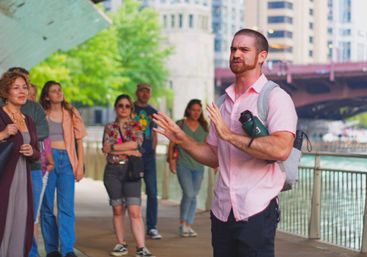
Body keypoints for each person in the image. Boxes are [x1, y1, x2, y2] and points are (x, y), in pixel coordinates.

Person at [153, 28, 297, 257]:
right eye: (233, 49)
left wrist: (229, 135)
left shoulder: (275, 98)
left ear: (262, 56)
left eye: (244, 49)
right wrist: (182, 139)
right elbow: (213, 156)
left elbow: (281, 149)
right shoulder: (222, 102)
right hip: (222, 210)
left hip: (257, 208)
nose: (236, 54)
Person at [0, 67, 50, 257]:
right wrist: (3, 134)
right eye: (16, 88)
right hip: (4, 180)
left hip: (24, 180)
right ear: (6, 91)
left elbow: (37, 152)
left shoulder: (28, 120)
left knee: (21, 224)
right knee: (2, 223)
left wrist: (31, 152)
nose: (22, 92)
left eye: (24, 87)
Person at [102, 94, 155, 257]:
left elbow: (136, 143)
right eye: (120, 105)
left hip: (131, 171)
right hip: (112, 171)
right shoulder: (109, 127)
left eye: (127, 106)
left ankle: (141, 248)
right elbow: (105, 149)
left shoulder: (136, 125)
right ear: (116, 108)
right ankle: (121, 244)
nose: (123, 108)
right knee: (117, 209)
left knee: (134, 211)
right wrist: (128, 151)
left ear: (131, 109)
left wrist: (116, 147)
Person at [39, 81, 87, 257]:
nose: (59, 93)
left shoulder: (71, 113)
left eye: (60, 90)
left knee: (66, 207)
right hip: (48, 161)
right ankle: (52, 249)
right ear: (46, 96)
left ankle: (67, 249)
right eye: (54, 91)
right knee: (47, 206)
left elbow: (80, 140)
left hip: (67, 161)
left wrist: (80, 165)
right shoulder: (41, 115)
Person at [167, 99, 209, 237]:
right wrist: (172, 161)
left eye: (199, 110)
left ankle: (189, 225)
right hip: (183, 164)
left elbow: (208, 147)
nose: (196, 113)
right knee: (189, 194)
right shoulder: (181, 124)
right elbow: (172, 144)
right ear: (188, 110)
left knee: (193, 196)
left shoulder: (204, 127)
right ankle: (182, 224)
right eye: (193, 110)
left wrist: (213, 163)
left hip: (199, 166)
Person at [133, 83, 162, 239]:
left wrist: (154, 151)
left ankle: (152, 227)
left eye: (148, 91)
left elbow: (155, 133)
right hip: (133, 155)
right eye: (142, 91)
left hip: (149, 156)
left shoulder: (153, 112)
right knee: (131, 192)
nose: (145, 94)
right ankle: (127, 223)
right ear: (137, 92)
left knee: (152, 192)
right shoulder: (129, 108)